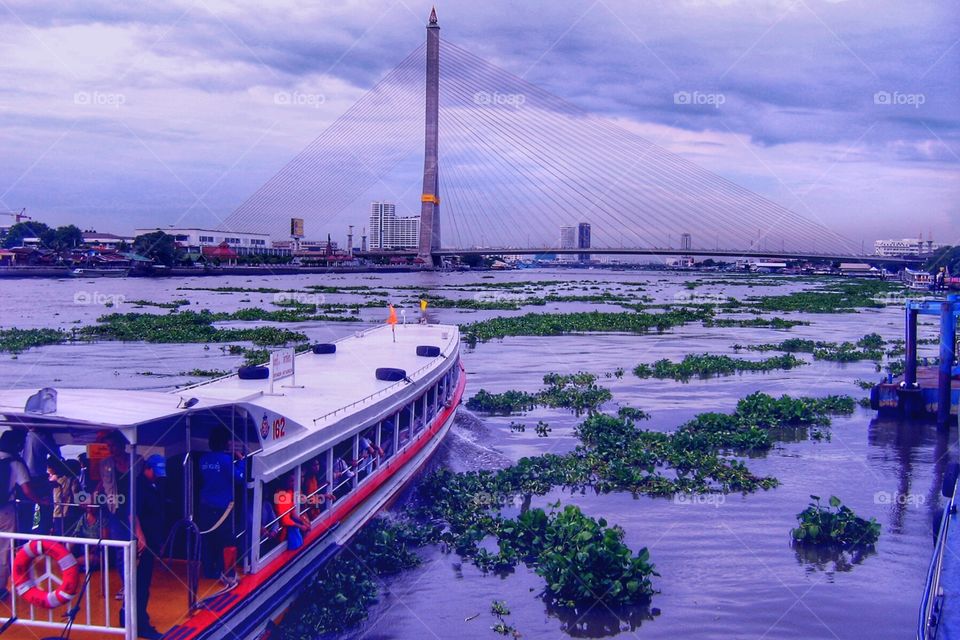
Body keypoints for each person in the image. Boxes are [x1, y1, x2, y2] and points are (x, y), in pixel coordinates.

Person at [198, 426, 243, 585]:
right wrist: (241, 461)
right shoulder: (226, 460)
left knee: (208, 539)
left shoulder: (203, 459)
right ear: (225, 443)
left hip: (205, 505)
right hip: (223, 507)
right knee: (227, 540)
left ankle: (210, 571)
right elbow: (239, 478)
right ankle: (229, 574)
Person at [0, 431, 40, 600]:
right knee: (3, 550)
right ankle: (0, 588)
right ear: (17, 445)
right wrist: (41, 501)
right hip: (5, 511)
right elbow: (27, 491)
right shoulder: (16, 463)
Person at [133, 455, 167, 640]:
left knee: (144, 583)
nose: (156, 476)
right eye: (155, 472)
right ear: (148, 468)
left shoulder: (154, 486)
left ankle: (139, 617)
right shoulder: (139, 487)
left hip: (152, 540)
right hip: (142, 543)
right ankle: (139, 624)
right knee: (140, 583)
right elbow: (134, 513)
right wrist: (141, 536)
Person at [22, 427, 60, 534]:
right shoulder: (43, 437)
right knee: (46, 506)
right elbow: (56, 454)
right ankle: (44, 533)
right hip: (38, 476)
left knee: (26, 510)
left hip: (25, 476)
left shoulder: (25, 435)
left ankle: (25, 535)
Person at [273, 473, 309, 549]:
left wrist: (303, 521)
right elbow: (285, 520)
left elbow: (292, 512)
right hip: (282, 529)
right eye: (291, 481)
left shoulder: (289, 491)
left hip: (290, 521)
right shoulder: (280, 495)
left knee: (306, 524)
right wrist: (300, 526)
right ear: (285, 482)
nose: (293, 483)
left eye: (293, 481)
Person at [49, 456, 80, 537]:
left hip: (56, 513)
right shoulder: (73, 480)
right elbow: (77, 495)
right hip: (68, 513)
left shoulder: (54, 480)